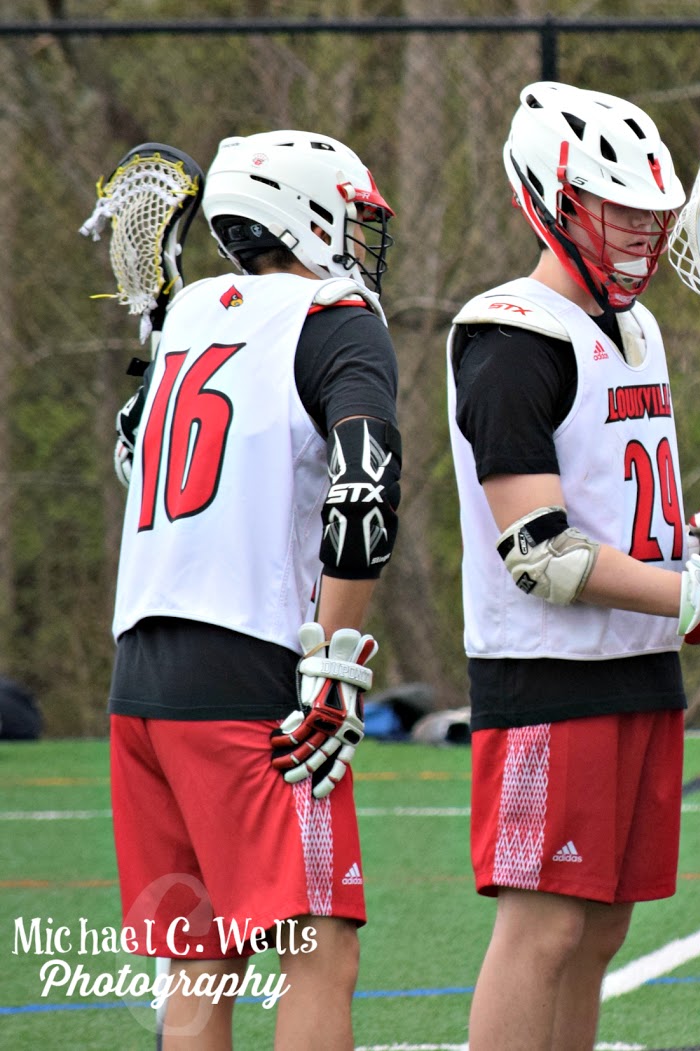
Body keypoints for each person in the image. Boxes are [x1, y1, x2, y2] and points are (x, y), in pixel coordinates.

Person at [446, 82, 700, 1051]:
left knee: (600, 928)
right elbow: (539, 552)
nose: (645, 233)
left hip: (637, 660)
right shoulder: (510, 334)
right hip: (548, 671)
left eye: (653, 213)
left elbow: (617, 508)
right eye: (619, 211)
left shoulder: (634, 327)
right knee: (544, 927)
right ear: (552, 200)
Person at [109, 129, 400, 1048]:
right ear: (304, 214)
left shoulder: (190, 312)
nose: (360, 240)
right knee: (320, 948)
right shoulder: (335, 318)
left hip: (139, 674)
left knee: (202, 961)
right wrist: (334, 664)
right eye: (350, 216)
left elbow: (133, 459)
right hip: (249, 669)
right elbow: (365, 487)